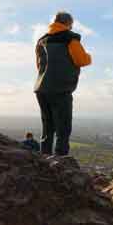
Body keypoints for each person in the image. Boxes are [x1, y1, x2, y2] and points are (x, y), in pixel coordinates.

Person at [33, 11, 92, 156]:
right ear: (68, 24)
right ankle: (61, 161)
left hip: (41, 88)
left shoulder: (41, 41)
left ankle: (44, 158)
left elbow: (39, 65)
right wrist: (89, 57)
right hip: (60, 89)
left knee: (47, 126)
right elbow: (82, 60)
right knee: (63, 128)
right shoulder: (70, 39)